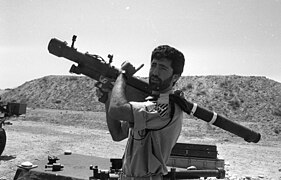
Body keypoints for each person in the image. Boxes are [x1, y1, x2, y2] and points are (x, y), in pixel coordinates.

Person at [95, 45, 185, 179]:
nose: (155, 72)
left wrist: (122, 77)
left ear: (175, 77)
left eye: (162, 68)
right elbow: (117, 134)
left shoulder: (165, 107)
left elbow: (117, 110)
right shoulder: (147, 103)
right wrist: (108, 97)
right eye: (153, 65)